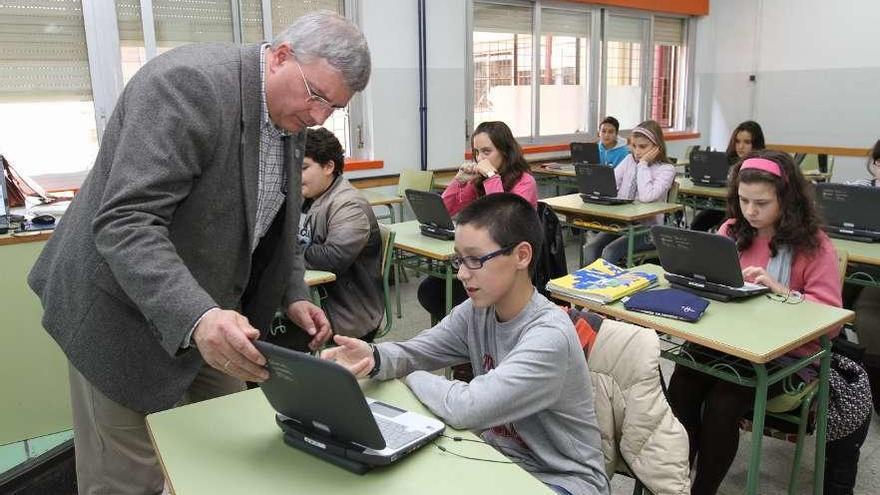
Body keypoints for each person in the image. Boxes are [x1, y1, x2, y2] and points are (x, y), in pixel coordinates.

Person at [26, 11, 370, 494]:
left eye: (333, 107)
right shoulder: (188, 87)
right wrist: (200, 316)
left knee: (229, 449)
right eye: (317, 96)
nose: (318, 117)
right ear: (281, 57)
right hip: (119, 313)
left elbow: (277, 217)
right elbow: (127, 222)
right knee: (128, 477)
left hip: (212, 311)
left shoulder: (288, 113)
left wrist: (293, 292)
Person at [323, 193, 611, 495]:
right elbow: (417, 351)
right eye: (459, 259)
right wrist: (373, 356)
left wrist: (410, 375)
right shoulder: (477, 311)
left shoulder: (549, 335)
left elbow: (467, 407)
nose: (461, 273)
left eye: (475, 259)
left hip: (564, 481)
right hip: (499, 458)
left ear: (521, 256)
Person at [666, 150, 856, 495]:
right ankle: (673, 484)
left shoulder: (814, 246)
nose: (750, 211)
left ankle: (702, 491)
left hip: (785, 357)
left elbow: (831, 323)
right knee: (681, 387)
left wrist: (779, 288)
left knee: (724, 402)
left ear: (787, 199)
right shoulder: (731, 230)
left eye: (762, 203)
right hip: (726, 339)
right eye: (743, 200)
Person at [417, 121, 538, 324]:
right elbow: (445, 210)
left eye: (487, 152)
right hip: (480, 260)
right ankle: (462, 335)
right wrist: (459, 181)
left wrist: (491, 176)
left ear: (505, 152)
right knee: (430, 290)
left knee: (448, 295)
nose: (480, 158)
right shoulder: (479, 181)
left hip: (509, 263)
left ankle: (473, 329)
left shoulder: (525, 182)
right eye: (476, 152)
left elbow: (501, 220)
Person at [298, 127, 382, 341]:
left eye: (304, 167)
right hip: (320, 301)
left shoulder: (348, 205)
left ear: (328, 167)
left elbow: (332, 258)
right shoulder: (310, 196)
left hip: (348, 315)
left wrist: (287, 251)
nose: (294, 175)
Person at [582, 119, 675, 266]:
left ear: (657, 147)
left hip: (648, 230)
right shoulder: (629, 159)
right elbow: (610, 184)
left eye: (643, 147)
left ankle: (607, 288)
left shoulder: (666, 169)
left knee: (610, 252)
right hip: (622, 223)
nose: (637, 152)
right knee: (590, 249)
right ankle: (586, 287)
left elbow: (646, 197)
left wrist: (643, 164)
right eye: (634, 146)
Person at [690, 120, 766, 231]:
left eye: (747, 142)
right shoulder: (730, 162)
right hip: (724, 205)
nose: (741, 146)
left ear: (756, 144)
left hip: (745, 210)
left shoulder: (760, 165)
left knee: (724, 227)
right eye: (737, 141)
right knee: (698, 223)